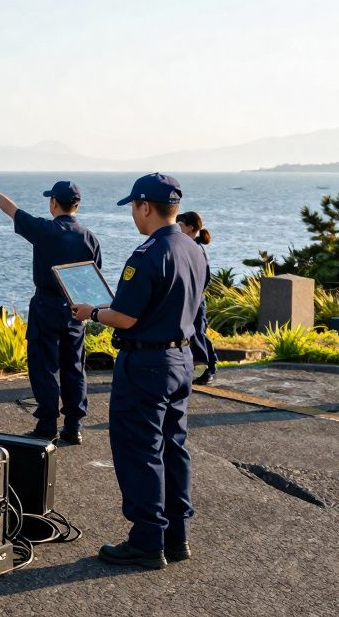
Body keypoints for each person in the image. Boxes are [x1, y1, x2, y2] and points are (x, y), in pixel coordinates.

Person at [71, 173, 207, 570]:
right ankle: (175, 537)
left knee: (140, 451)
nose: (133, 214)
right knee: (173, 448)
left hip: (146, 363)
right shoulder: (193, 249)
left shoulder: (148, 254)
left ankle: (147, 540)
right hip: (181, 360)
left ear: (145, 206)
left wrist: (91, 312)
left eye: (133, 206)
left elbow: (126, 317)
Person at [0, 179, 101, 445]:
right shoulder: (89, 237)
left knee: (42, 366)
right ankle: (74, 425)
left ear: (53, 203)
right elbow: (93, 276)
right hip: (76, 308)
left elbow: (13, 210)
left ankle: (47, 424)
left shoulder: (46, 230)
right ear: (76, 205)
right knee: (74, 367)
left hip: (46, 305)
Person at [177, 211, 218, 385]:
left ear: (191, 227)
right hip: (193, 298)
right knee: (197, 332)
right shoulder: (190, 246)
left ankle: (207, 369)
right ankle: (209, 366)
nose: (177, 228)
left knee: (197, 333)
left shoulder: (195, 249)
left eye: (180, 225)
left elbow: (204, 277)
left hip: (195, 299)